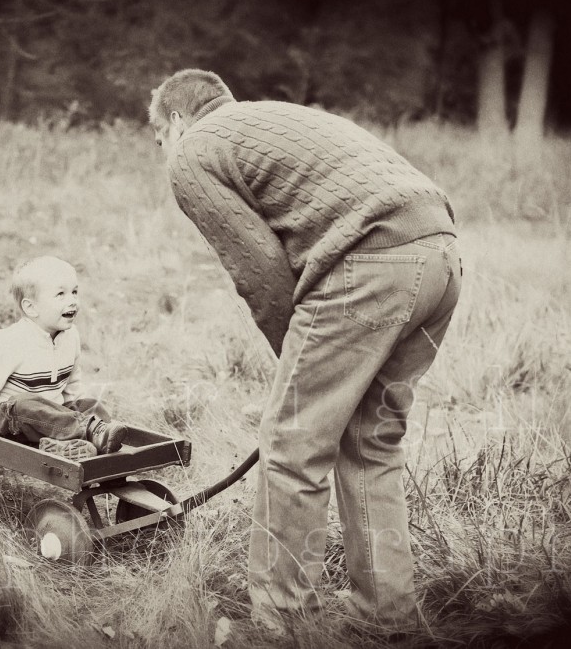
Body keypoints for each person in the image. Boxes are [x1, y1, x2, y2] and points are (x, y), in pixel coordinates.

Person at [149, 69, 461, 631]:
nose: (163, 153)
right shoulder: (270, 119)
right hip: (441, 255)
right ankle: (387, 615)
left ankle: (282, 623)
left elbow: (261, 273)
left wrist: (297, 369)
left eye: (158, 140)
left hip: (369, 265)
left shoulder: (195, 149)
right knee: (371, 444)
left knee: (294, 442)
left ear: (175, 120)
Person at [0, 256, 127, 460]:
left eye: (74, 292)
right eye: (60, 294)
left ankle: (79, 441)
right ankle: (90, 433)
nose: (72, 300)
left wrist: (82, 409)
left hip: (49, 416)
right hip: (6, 419)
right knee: (24, 405)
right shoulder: (10, 342)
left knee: (89, 403)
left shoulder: (71, 336)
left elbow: (72, 384)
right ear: (31, 308)